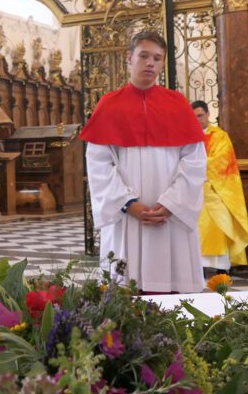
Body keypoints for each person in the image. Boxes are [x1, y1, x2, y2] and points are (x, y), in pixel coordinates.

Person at [80, 30, 206, 293]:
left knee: (174, 290)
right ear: (130, 57)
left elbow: (194, 161)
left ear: (162, 63)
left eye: (157, 58)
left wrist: (172, 203)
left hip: (169, 216)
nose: (151, 63)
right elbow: (98, 164)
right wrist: (127, 203)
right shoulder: (109, 105)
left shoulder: (178, 105)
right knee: (125, 288)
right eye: (144, 55)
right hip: (127, 215)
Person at [192, 100, 248, 273]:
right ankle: (197, 267)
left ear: (208, 115)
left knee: (220, 223)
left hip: (216, 189)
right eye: (194, 117)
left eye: (200, 116)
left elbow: (222, 160)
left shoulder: (220, 136)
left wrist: (195, 166)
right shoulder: (187, 136)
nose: (198, 120)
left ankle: (222, 267)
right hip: (193, 190)